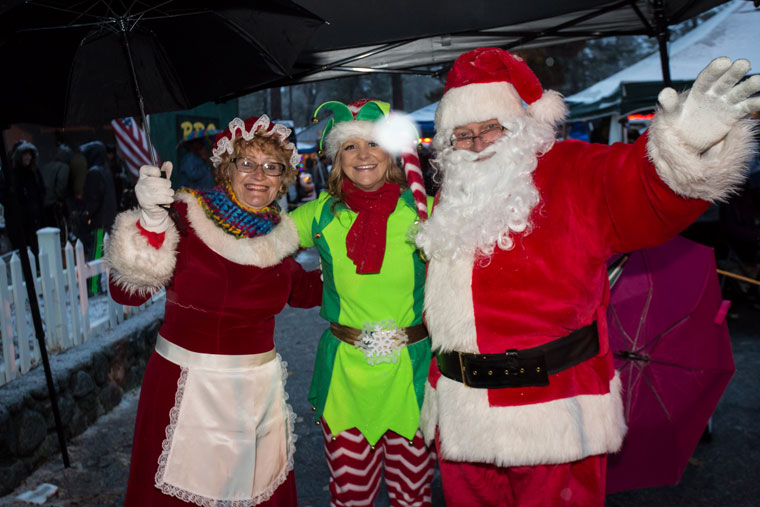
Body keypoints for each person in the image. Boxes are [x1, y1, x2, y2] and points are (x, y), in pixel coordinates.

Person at [413, 48, 760, 506]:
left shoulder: (573, 171)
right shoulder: (449, 199)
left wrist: (684, 146)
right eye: (462, 135)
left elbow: (639, 190)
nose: (477, 145)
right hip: (460, 411)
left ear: (520, 127)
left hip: (553, 413)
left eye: (490, 128)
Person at [105, 115, 322, 506]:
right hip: (185, 391)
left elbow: (303, 290)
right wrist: (150, 222)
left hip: (257, 397)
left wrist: (356, 261)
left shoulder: (279, 233)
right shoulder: (186, 219)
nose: (259, 175)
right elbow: (128, 294)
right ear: (227, 168)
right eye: (247, 163)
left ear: (283, 177)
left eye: (272, 167)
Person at [290, 99, 434, 506]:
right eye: (350, 147)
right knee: (351, 498)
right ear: (337, 160)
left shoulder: (424, 212)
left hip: (412, 376)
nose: (363, 155)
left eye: (372, 143)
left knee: (413, 497)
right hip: (346, 380)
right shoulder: (319, 215)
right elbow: (257, 241)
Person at [0, 140, 46, 254]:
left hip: (33, 219)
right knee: (22, 249)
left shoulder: (34, 173)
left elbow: (40, 192)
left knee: (35, 247)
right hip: (18, 220)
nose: (28, 157)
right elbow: (4, 195)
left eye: (30, 154)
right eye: (25, 154)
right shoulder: (10, 174)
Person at [40, 143, 71, 230]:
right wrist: (60, 198)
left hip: (44, 202)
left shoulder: (46, 166)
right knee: (58, 227)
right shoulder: (64, 167)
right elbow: (62, 185)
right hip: (54, 203)